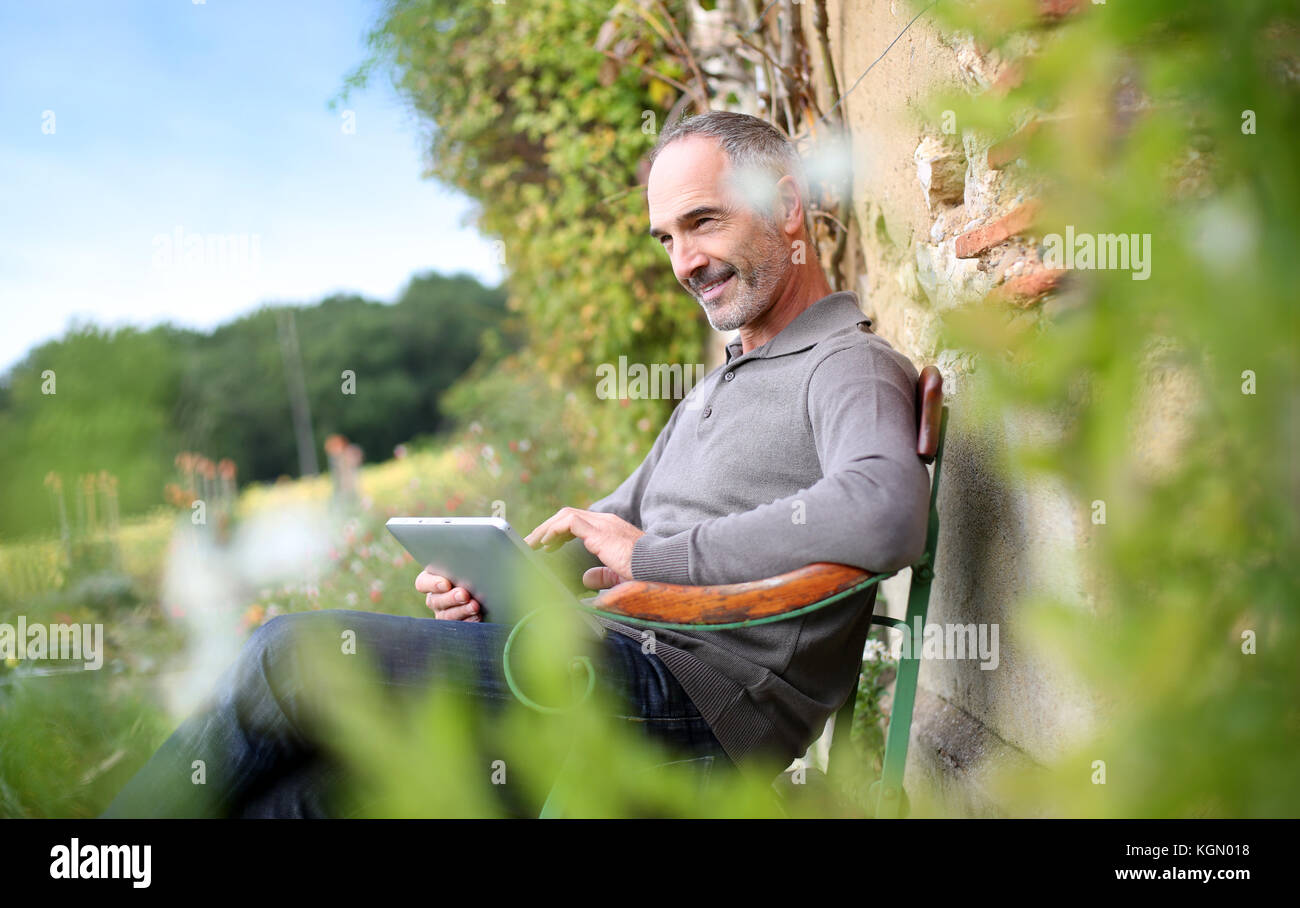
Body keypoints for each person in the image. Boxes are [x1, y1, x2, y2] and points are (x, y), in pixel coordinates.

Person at [101, 110, 930, 818]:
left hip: (692, 701)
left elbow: (886, 508)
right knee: (306, 796)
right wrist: (495, 585)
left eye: (704, 222)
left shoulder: (843, 364)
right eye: (668, 238)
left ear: (787, 207)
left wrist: (651, 557)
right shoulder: (721, 384)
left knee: (291, 659)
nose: (685, 263)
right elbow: (602, 532)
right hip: (601, 663)